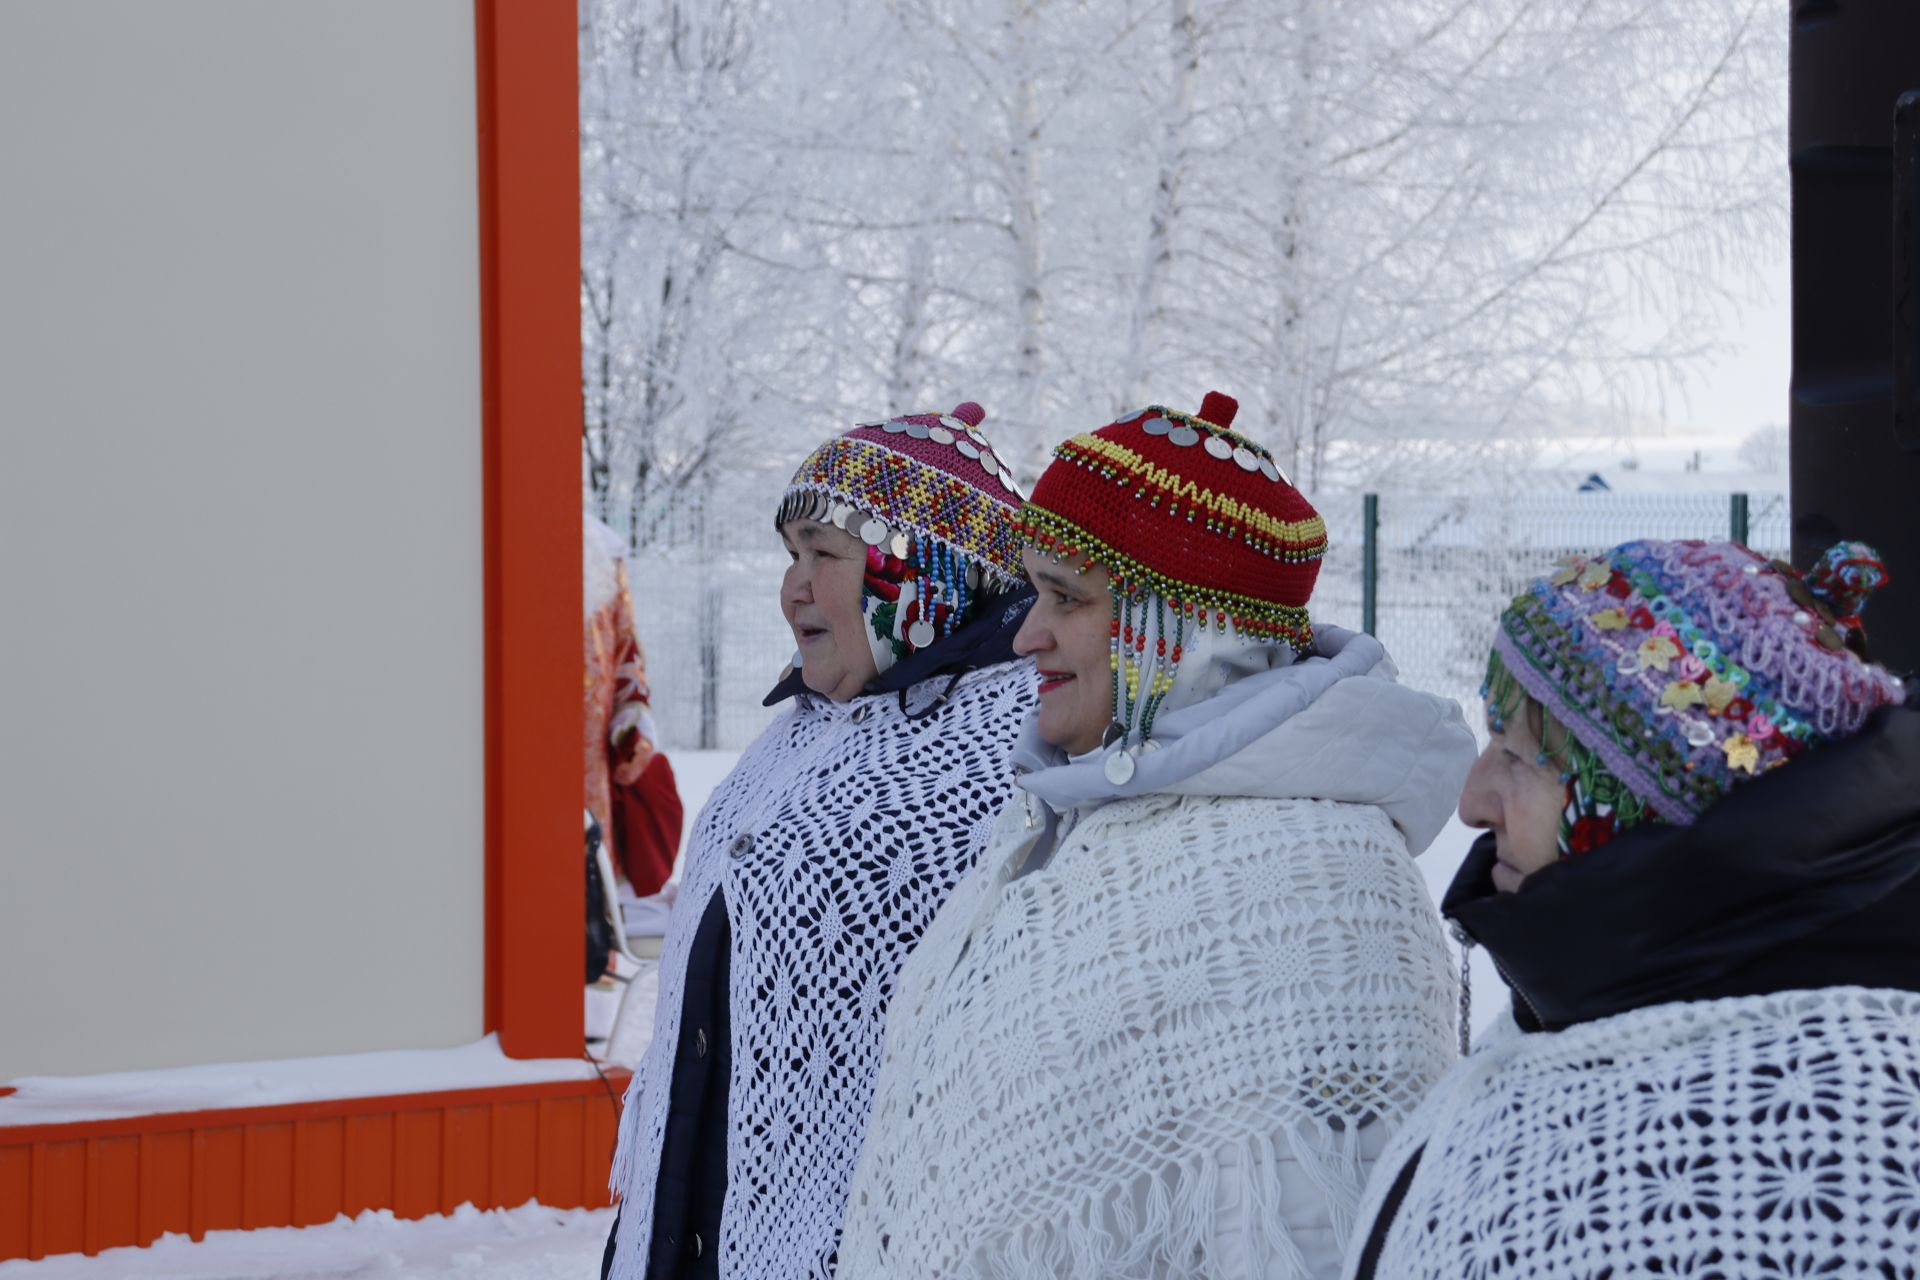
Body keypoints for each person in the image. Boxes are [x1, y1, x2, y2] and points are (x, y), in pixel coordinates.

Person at [836, 393, 1475, 1279]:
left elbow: (1321, 1239)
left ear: (1194, 633)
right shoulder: (1062, 820)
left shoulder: (1320, 886)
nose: (1026, 636)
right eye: (1032, 591)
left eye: (1067, 596)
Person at [1344, 540, 1920, 1280]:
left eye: (1518, 757)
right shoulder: (1596, 1003)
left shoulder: (1817, 1130)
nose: (1471, 802)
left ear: (1641, 802)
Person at [603, 402, 1038, 1280]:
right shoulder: (799, 733)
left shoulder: (1014, 751)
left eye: (825, 553)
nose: (793, 585)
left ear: (925, 573)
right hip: (689, 1213)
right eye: (790, 553)